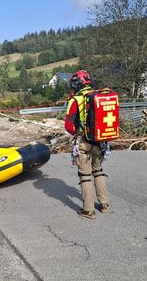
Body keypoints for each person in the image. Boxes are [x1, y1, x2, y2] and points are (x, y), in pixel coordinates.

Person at [64, 70, 109, 219]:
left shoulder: (75, 99)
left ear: (78, 83)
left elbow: (69, 126)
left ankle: (88, 210)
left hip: (83, 141)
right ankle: (104, 203)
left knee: (85, 175)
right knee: (98, 171)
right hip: (100, 140)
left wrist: (78, 132)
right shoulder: (100, 95)